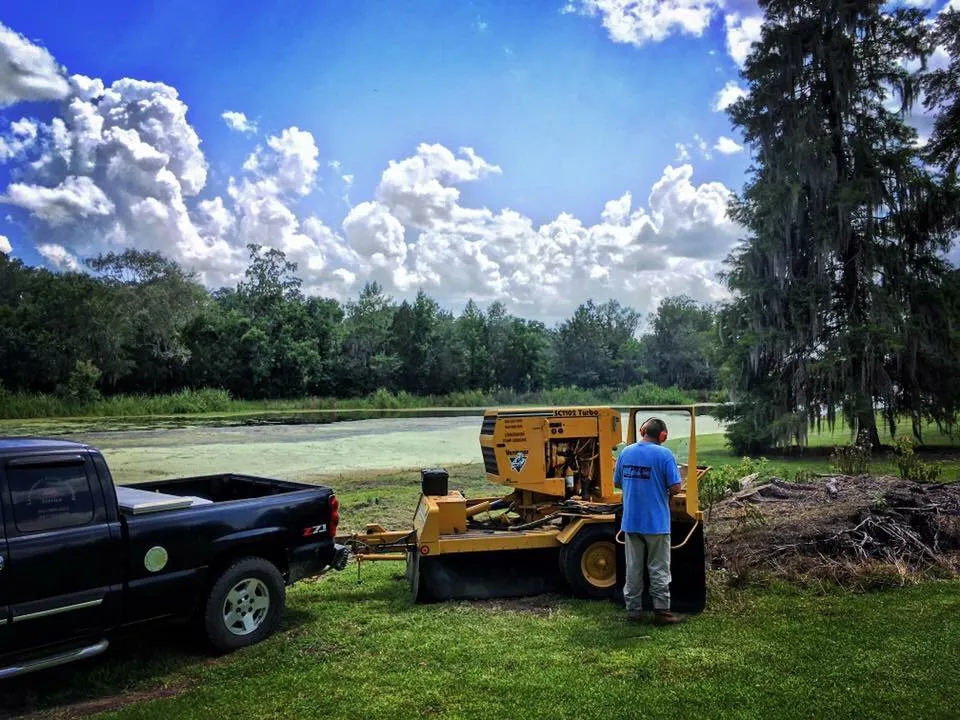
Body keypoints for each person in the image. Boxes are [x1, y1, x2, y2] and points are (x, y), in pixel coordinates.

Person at [613, 416, 684, 625]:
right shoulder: (665, 455)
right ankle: (662, 612)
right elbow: (676, 488)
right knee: (659, 567)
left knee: (633, 568)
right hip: (656, 523)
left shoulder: (625, 452)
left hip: (631, 522)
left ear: (643, 431)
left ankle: (633, 611)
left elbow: (618, 482)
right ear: (662, 436)